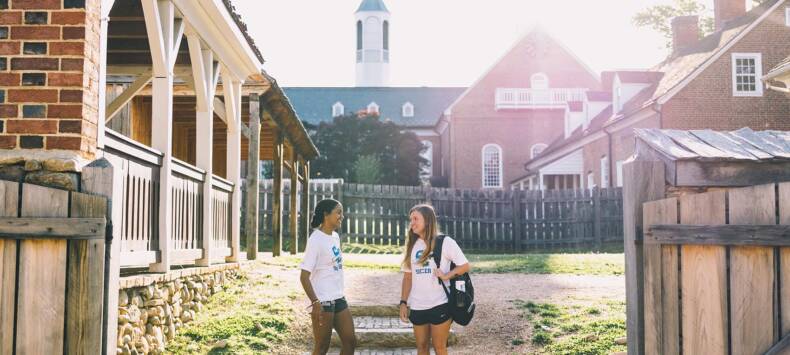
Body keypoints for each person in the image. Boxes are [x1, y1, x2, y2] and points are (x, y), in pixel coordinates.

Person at [399, 204, 471, 355]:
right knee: (422, 347)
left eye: (415, 218)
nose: (412, 223)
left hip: (440, 303)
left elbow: (464, 266)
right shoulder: (412, 245)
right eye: (410, 219)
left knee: (439, 347)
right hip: (418, 306)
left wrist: (446, 276)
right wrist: (403, 303)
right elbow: (408, 277)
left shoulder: (445, 242)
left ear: (427, 220)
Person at [299, 199, 356, 355]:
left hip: (339, 297)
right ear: (326, 214)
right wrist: (315, 302)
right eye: (338, 212)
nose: (341, 216)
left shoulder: (335, 237)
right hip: (323, 301)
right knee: (322, 347)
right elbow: (304, 276)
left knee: (350, 342)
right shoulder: (316, 240)